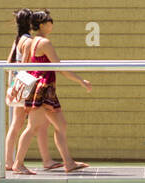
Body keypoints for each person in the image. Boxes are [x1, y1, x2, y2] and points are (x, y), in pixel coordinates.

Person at [11, 10, 91, 174]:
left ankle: (68, 162)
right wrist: (80, 81)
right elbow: (59, 67)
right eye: (49, 21)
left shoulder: (32, 42)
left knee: (61, 125)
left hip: (47, 90)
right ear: (42, 24)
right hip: (41, 90)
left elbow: (24, 65)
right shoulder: (44, 43)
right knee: (32, 127)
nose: (52, 24)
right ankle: (18, 164)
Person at [4, 9, 57, 171]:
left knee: (17, 124)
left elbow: (8, 64)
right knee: (34, 124)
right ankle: (36, 162)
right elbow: (26, 64)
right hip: (25, 86)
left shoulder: (18, 40)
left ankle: (8, 161)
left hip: (17, 84)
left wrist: (12, 85)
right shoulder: (29, 41)